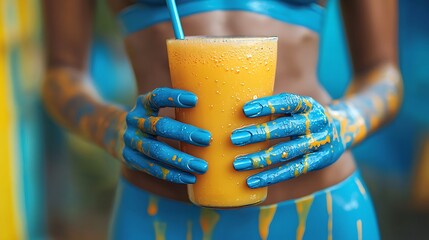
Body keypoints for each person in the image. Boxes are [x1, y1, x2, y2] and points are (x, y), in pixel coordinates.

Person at [42, 0, 402, 239]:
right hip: (158, 212)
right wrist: (110, 127)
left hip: (320, 209)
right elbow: (61, 73)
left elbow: (383, 74)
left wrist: (342, 122)